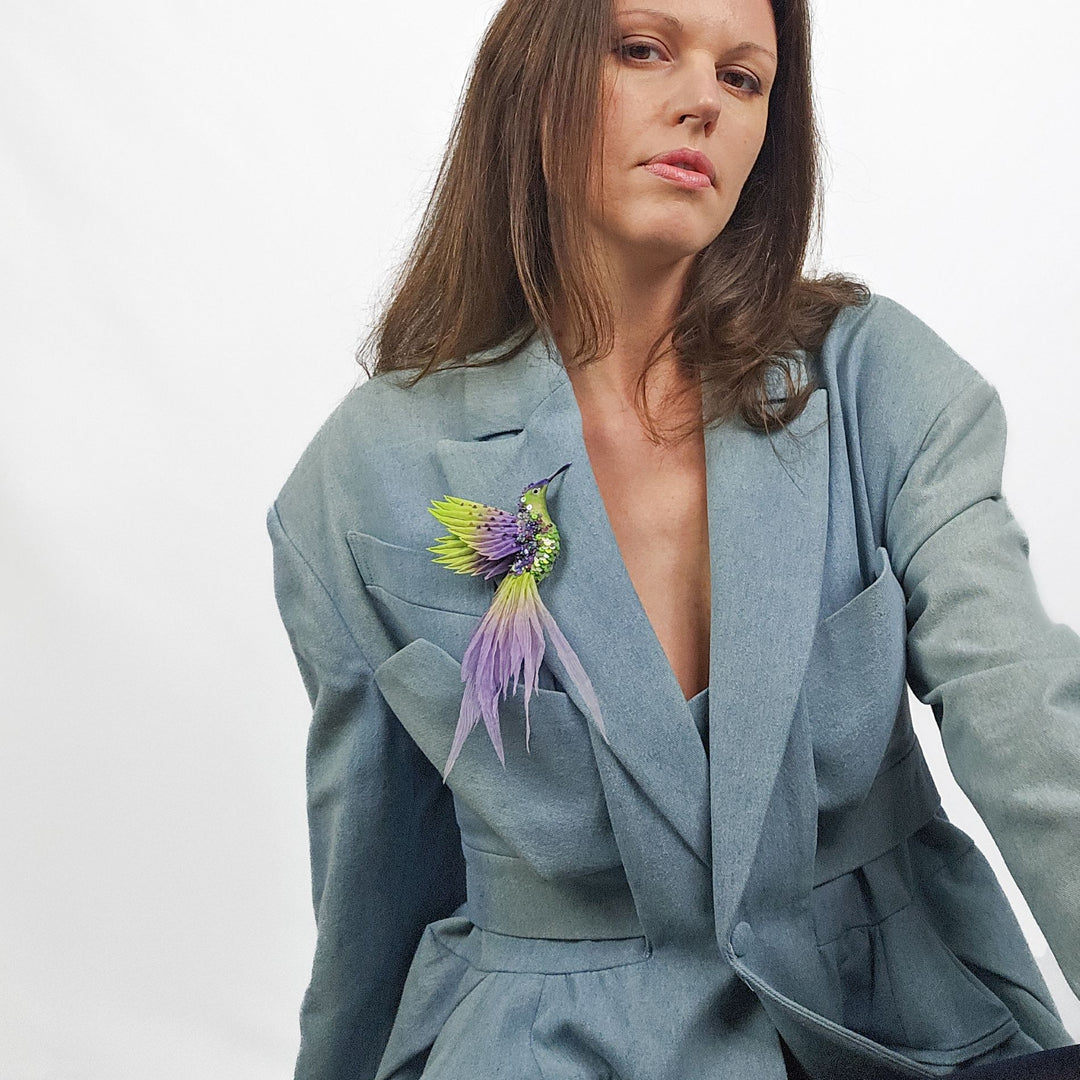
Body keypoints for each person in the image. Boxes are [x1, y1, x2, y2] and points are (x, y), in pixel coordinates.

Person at [267, 0, 1080, 1076]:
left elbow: (1026, 720)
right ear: (538, 78)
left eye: (744, 79)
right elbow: (375, 889)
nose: (703, 98)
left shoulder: (878, 381)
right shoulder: (364, 474)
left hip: (903, 1031)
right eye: (645, 49)